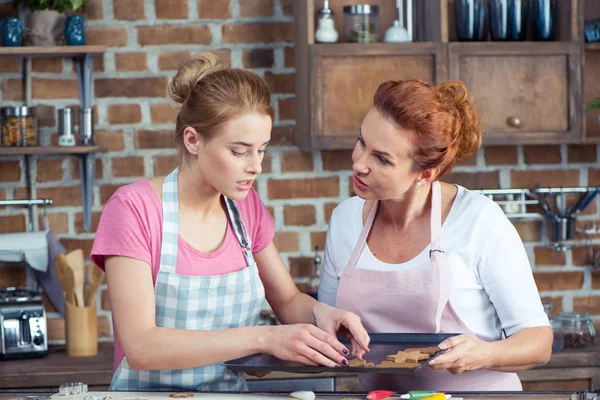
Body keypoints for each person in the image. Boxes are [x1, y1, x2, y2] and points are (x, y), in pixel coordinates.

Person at [90, 52, 370, 392]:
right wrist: (264, 338)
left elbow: (286, 301)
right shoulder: (135, 210)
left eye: (261, 150)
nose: (256, 166)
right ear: (193, 140)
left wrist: (321, 314)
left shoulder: (245, 207)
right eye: (239, 151)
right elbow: (141, 346)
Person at [318, 79, 552, 392]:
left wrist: (483, 354)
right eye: (361, 142)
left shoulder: (478, 220)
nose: (359, 164)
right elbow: (328, 326)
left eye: (382, 159)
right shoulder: (345, 220)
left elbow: (538, 341)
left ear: (426, 173)